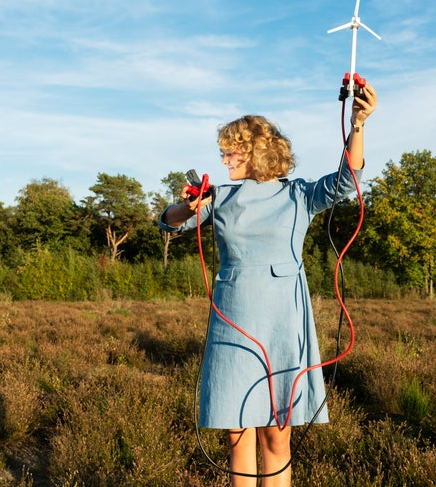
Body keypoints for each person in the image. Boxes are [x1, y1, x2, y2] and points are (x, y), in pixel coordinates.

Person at [159, 83, 376, 486]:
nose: (224, 161)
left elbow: (347, 181)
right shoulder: (218, 196)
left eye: (231, 153)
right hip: (234, 318)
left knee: (277, 436)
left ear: (257, 152)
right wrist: (186, 205)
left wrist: (358, 124)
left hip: (284, 321)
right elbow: (170, 221)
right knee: (236, 431)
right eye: (223, 153)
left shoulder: (300, 195)